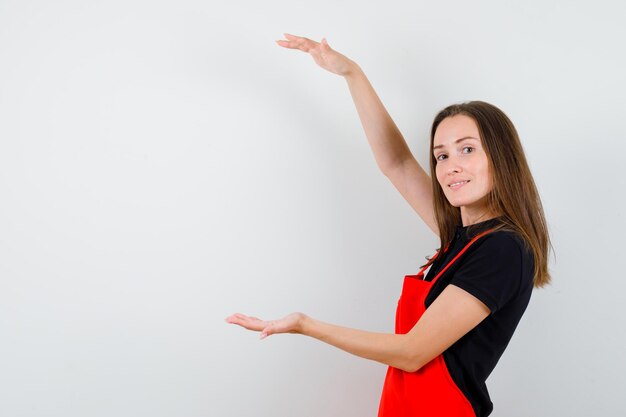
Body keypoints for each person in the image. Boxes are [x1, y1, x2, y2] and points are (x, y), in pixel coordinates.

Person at [225, 33, 551, 417]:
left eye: (467, 149)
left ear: (502, 157)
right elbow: (396, 163)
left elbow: (413, 353)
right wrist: (351, 74)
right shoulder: (462, 238)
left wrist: (306, 325)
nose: (451, 166)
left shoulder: (502, 249)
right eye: (441, 156)